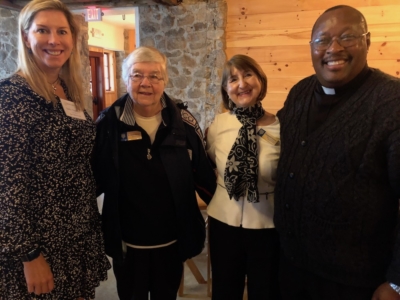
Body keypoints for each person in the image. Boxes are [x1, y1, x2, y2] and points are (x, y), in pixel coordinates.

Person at [275, 5, 400, 300]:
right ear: (311, 48)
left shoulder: (391, 103)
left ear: (367, 41)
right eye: (322, 40)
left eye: (347, 37)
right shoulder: (299, 93)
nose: (334, 48)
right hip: (291, 267)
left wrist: (397, 281)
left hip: (354, 281)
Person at [0, 0, 111, 299]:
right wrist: (29, 254)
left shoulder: (67, 91)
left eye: (62, 31)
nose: (54, 40)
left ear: (72, 40)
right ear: (26, 36)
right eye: (43, 31)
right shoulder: (11, 98)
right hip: (40, 243)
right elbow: (8, 185)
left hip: (77, 234)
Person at [93, 46, 216, 300]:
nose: (145, 83)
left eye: (154, 76)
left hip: (171, 243)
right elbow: (92, 181)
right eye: (137, 75)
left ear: (165, 81)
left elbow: (204, 178)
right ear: (126, 80)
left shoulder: (184, 123)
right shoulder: (107, 124)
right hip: (127, 244)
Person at [205, 54, 281, 299]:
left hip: (267, 225)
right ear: (226, 90)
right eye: (233, 79)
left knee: (265, 291)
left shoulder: (282, 126)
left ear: (260, 80)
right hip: (223, 223)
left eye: (248, 74)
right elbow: (206, 163)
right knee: (224, 291)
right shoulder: (217, 125)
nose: (241, 84)